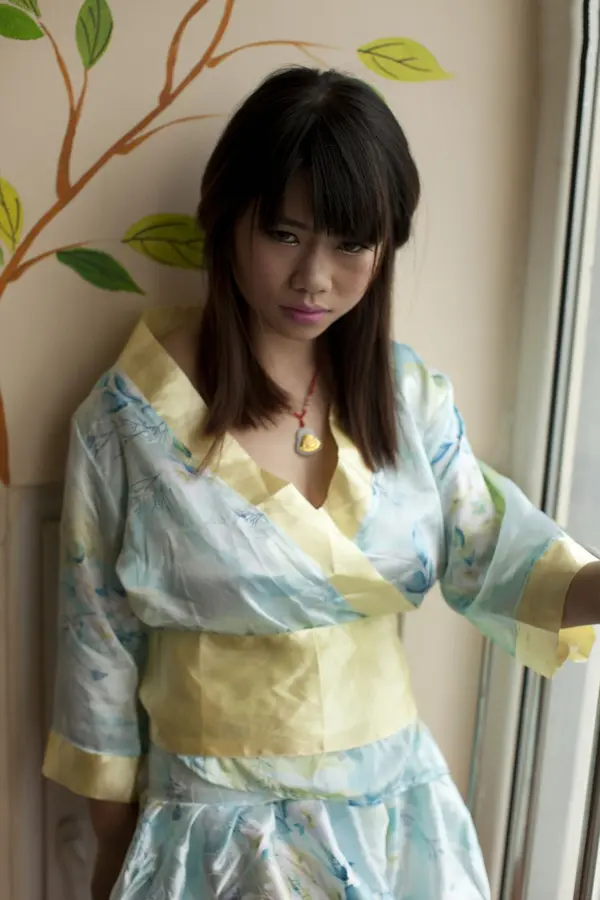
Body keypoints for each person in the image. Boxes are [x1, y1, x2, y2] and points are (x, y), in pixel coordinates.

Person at [43, 66, 599, 900]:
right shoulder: (125, 423)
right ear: (226, 219)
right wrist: (116, 851)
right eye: (284, 233)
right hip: (214, 829)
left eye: (350, 244)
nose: (314, 277)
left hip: (396, 820)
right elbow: (97, 645)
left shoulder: (406, 399)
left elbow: (492, 548)